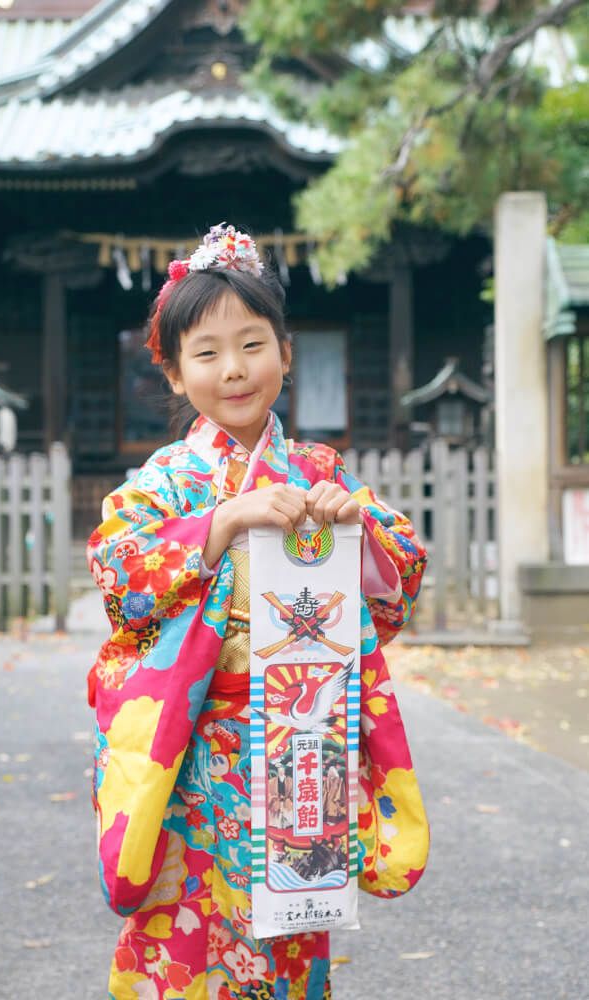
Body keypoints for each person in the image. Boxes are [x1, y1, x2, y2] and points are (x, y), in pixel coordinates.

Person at [86, 223, 429, 999]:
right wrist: (224, 521)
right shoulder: (165, 481)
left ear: (286, 352)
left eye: (253, 345)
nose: (234, 370)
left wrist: (357, 529)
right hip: (197, 751)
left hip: (299, 742)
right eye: (206, 354)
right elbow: (118, 572)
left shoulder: (318, 471)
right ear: (174, 374)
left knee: (291, 926)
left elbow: (397, 583)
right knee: (184, 930)